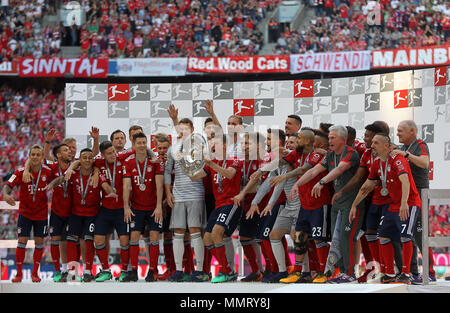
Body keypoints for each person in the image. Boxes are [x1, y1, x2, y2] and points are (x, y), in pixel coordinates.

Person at [293, 125, 365, 283]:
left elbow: (339, 169)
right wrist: (297, 185)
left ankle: (350, 273)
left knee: (347, 237)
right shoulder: (330, 155)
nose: (330, 140)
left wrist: (322, 182)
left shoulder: (350, 153)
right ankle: (340, 272)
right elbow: (313, 171)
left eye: (333, 138)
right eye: (330, 137)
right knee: (335, 238)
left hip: (352, 203)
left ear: (343, 139)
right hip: (338, 202)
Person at [351, 133, 422, 284]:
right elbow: (366, 186)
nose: (371, 146)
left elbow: (405, 181)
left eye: (376, 143)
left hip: (409, 203)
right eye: (372, 143)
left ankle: (406, 274)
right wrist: (354, 204)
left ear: (386, 145)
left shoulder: (398, 159)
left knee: (405, 236)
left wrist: (404, 203)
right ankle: (389, 274)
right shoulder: (377, 163)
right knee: (383, 236)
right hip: (394, 204)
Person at [331, 123, 386, 283]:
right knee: (365, 235)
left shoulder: (362, 150)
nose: (366, 138)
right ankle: (371, 270)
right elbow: (357, 178)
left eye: (369, 136)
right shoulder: (364, 153)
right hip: (364, 199)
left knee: (386, 236)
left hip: (378, 199)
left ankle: (392, 270)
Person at [189, 134, 243, 283]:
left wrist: (211, 164)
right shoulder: (211, 162)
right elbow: (193, 177)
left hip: (231, 203)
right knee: (207, 239)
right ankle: (227, 270)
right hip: (218, 205)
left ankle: (226, 271)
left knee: (217, 233)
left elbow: (230, 174)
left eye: (216, 144)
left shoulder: (234, 160)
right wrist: (188, 159)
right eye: (212, 145)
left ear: (224, 146)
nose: (213, 147)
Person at [164, 118, 209, 282]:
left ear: (192, 129)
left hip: (195, 194)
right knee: (178, 232)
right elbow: (168, 171)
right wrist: (168, 193)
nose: (183, 130)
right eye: (180, 128)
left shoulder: (198, 144)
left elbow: (202, 165)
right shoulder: (172, 148)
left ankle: (198, 270)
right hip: (178, 195)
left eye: (186, 128)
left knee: (196, 231)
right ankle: (178, 270)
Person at [391, 120, 436, 284]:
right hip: (408, 197)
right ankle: (413, 272)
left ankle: (430, 272)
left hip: (421, 195)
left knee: (420, 234)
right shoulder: (402, 148)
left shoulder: (420, 144)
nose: (397, 133)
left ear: (412, 132)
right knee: (408, 235)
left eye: (401, 130)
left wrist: (407, 155)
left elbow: (425, 163)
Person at [3, 145, 54, 283]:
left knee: (39, 242)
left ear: (42, 157)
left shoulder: (47, 171)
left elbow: (59, 178)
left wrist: (54, 184)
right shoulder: (20, 171)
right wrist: (6, 195)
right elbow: (7, 186)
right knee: (22, 242)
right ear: (29, 156)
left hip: (41, 214)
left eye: (38, 155)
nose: (35, 157)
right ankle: (19, 274)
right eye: (33, 154)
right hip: (25, 213)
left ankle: (35, 274)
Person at [122, 132, 165, 282]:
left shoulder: (155, 162)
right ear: (133, 145)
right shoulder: (128, 162)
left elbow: (160, 185)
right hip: (136, 207)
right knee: (133, 237)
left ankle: (152, 271)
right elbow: (126, 185)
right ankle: (133, 270)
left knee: (154, 237)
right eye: (138, 143)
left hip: (153, 207)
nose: (141, 145)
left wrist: (159, 206)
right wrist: (126, 207)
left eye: (144, 142)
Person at [92, 140, 131, 282]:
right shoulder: (98, 163)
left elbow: (143, 149)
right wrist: (95, 171)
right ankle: (106, 271)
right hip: (106, 209)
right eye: (109, 153)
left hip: (122, 209)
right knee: (98, 240)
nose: (113, 155)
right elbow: (85, 159)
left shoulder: (122, 159)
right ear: (102, 155)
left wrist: (152, 155)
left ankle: (125, 271)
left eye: (114, 151)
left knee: (125, 241)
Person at [233, 132, 266, 282]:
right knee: (244, 237)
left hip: (260, 203)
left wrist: (243, 192)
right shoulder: (240, 163)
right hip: (245, 204)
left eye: (248, 144)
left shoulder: (262, 161)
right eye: (243, 144)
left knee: (263, 238)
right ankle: (256, 271)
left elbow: (258, 185)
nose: (244, 147)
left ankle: (270, 270)